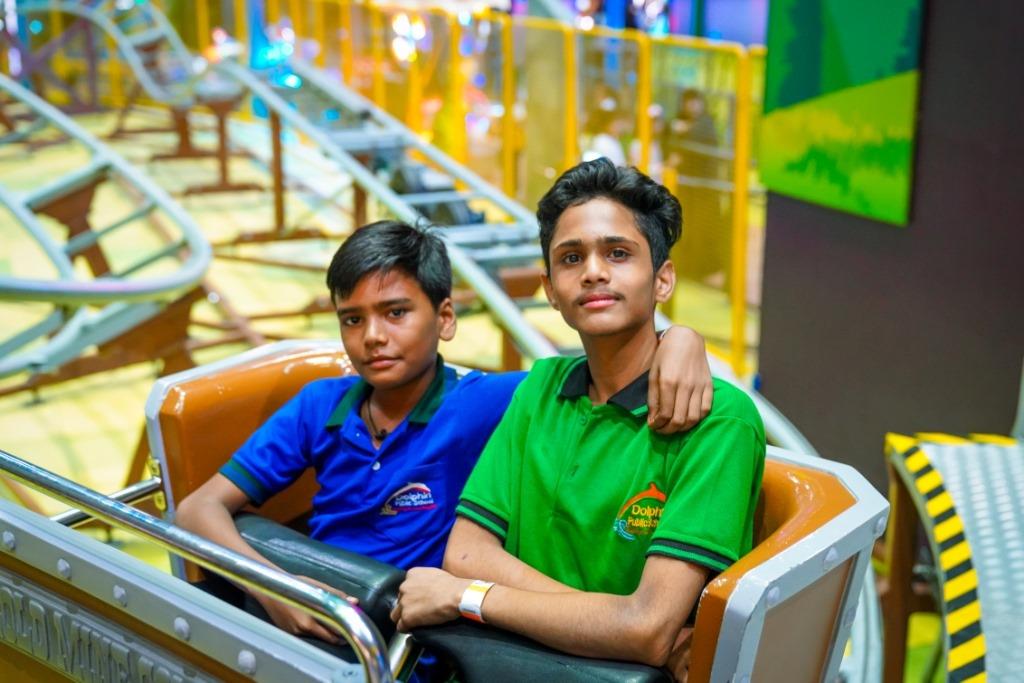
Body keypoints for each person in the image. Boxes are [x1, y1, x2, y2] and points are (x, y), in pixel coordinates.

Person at [175, 219, 715, 647]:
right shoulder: (320, 406)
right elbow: (198, 509)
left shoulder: (485, 401)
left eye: (395, 313)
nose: (373, 337)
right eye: (352, 319)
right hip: (315, 614)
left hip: (409, 639)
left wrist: (681, 339)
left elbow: (601, 370)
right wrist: (277, 590)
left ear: (446, 319)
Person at [391, 160, 766, 682]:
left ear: (662, 279)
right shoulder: (541, 387)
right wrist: (610, 625)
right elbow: (467, 555)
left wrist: (469, 598)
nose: (593, 271)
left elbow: (647, 628)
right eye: (572, 257)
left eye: (618, 253)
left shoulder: (719, 420)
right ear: (550, 289)